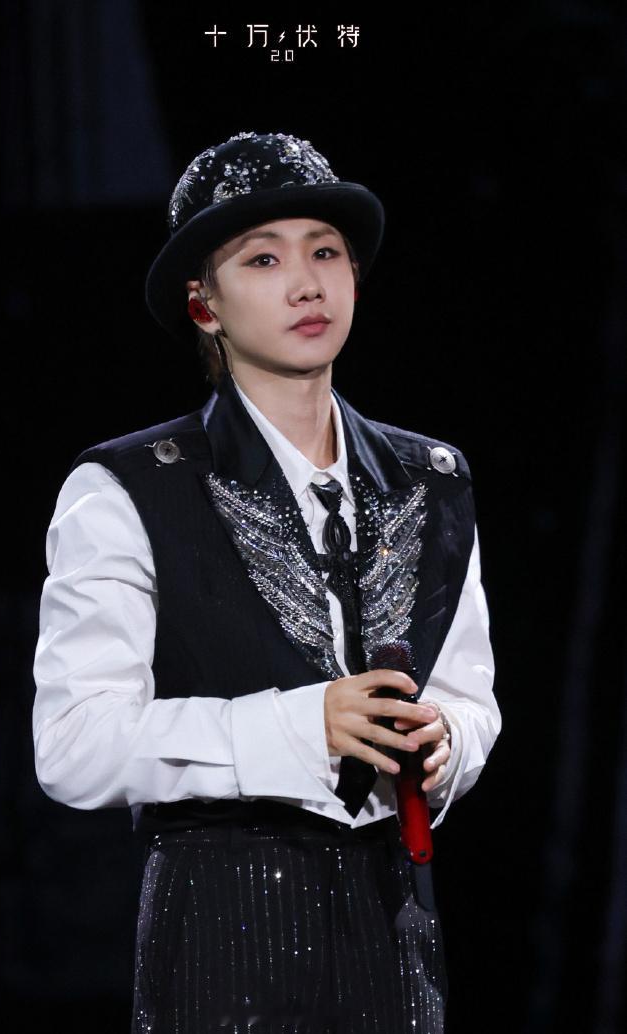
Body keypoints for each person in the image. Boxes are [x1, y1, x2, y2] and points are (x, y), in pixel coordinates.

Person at [32, 130, 501, 1034]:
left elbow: (471, 696)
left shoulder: (434, 480)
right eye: (263, 258)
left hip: (395, 931)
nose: (307, 283)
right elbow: (73, 746)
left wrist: (449, 739)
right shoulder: (129, 488)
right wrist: (299, 723)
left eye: (326, 252)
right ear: (202, 304)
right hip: (221, 933)